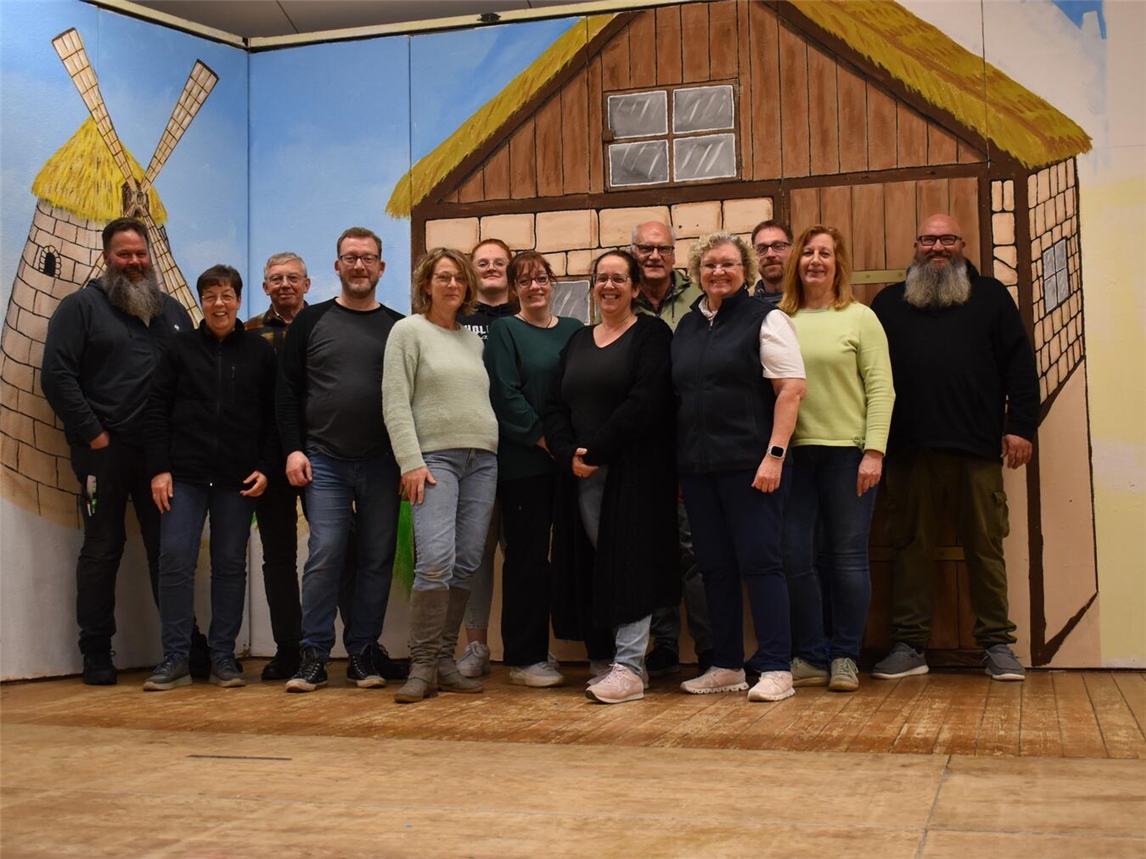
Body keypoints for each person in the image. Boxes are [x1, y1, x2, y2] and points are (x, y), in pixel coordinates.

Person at [871, 213, 1036, 682]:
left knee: (985, 547)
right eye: (928, 239)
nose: (937, 247)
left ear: (962, 244)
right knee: (909, 548)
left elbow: (1020, 366)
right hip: (907, 450)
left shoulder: (991, 297)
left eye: (947, 239)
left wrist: (1021, 427)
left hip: (977, 449)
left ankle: (997, 644)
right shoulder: (888, 303)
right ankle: (909, 645)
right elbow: (869, 376)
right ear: (916, 245)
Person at [41, 217, 194, 685]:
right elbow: (57, 376)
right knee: (102, 549)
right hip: (102, 454)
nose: (134, 262)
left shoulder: (172, 312)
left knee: (168, 551)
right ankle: (96, 651)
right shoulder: (80, 307)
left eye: (140, 253)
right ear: (106, 257)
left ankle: (183, 647)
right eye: (124, 254)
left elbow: (192, 379)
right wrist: (94, 433)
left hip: (160, 459)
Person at [672, 232, 806, 702]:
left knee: (761, 563)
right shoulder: (688, 326)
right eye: (710, 265)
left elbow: (791, 390)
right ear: (697, 272)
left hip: (753, 467)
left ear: (745, 271)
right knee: (714, 568)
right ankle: (727, 666)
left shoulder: (767, 318)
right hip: (698, 469)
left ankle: (777, 668)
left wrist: (774, 456)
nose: (719, 272)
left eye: (728, 264)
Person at [545, 250, 678, 705]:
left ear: (636, 288)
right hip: (582, 473)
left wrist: (596, 451)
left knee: (630, 563)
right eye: (601, 278)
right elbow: (554, 405)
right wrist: (568, 453)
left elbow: (646, 401)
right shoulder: (579, 340)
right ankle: (607, 659)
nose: (609, 286)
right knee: (596, 564)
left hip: (634, 473)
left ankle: (631, 666)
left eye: (619, 278)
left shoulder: (651, 335)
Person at [277, 227, 404, 692]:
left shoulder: (399, 327)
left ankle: (363, 653)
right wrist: (293, 449)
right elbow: (287, 392)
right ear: (337, 266)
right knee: (326, 553)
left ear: (381, 267)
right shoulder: (310, 322)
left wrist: (408, 460)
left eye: (367, 258)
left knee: (376, 558)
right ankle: (313, 655)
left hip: (383, 462)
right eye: (350, 257)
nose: (359, 265)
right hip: (323, 461)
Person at [142, 266, 276, 690]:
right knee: (175, 560)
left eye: (227, 295)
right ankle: (175, 658)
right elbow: (156, 410)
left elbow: (273, 416)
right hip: (184, 476)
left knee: (230, 566)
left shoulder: (259, 352)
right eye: (211, 296)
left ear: (239, 300)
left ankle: (223, 657)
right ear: (201, 302)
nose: (219, 304)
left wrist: (266, 466)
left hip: (238, 479)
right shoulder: (179, 348)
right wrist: (159, 469)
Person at [779, 226, 894, 693]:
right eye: (807, 252)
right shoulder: (779, 319)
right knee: (794, 556)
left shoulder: (860, 318)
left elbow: (881, 388)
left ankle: (845, 655)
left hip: (849, 455)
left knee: (847, 557)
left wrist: (874, 451)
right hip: (792, 458)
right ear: (796, 263)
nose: (815, 260)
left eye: (825, 253)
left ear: (837, 263)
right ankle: (810, 655)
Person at [383, 247, 499, 703]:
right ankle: (422, 665)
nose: (452, 285)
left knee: (467, 561)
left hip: (483, 460)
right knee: (435, 560)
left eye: (459, 278)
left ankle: (444, 662)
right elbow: (395, 400)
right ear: (426, 285)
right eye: (443, 277)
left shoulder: (473, 341)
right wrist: (410, 461)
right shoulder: (407, 331)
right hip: (434, 460)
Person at [484, 251, 581, 687]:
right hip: (525, 464)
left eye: (541, 278)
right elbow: (505, 396)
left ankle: (575, 646)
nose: (535, 287)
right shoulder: (505, 331)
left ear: (551, 282)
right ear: (514, 289)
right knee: (527, 559)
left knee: (571, 555)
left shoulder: (575, 330)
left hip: (572, 463)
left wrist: (572, 449)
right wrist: (548, 441)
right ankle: (524, 658)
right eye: (524, 281)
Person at [630, 220, 711, 679]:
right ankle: (663, 644)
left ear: (674, 254)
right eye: (646, 248)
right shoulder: (621, 299)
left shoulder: (700, 297)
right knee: (652, 545)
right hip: (643, 444)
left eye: (662, 248)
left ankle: (709, 646)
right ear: (634, 252)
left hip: (693, 440)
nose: (654, 256)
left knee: (694, 547)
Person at [245, 252, 309, 681]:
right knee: (278, 557)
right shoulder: (248, 333)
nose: (284, 284)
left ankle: (361, 646)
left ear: (307, 284)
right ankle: (289, 648)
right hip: (269, 459)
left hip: (320, 455)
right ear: (265, 287)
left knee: (341, 549)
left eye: (292, 278)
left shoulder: (324, 324)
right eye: (275, 279)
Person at [455, 238, 516, 679]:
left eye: (499, 262)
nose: (491, 267)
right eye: (483, 262)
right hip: (471, 452)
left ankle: (525, 647)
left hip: (523, 453)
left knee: (523, 554)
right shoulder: (455, 321)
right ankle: (475, 647)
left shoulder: (527, 315)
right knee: (474, 554)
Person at [750, 220, 793, 306]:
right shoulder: (747, 309)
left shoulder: (812, 302)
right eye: (762, 248)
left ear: (793, 251)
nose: (770, 254)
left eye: (778, 246)